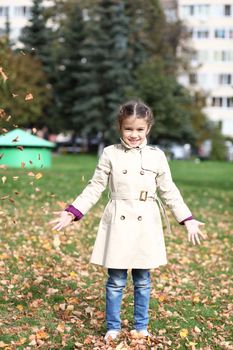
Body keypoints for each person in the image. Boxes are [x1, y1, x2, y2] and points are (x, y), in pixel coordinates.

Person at [51, 100, 205, 341]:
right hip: (119, 220)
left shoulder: (157, 156)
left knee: (143, 279)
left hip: (147, 222)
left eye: (139, 129)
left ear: (148, 129)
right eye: (128, 129)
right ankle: (113, 327)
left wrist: (187, 218)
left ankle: (141, 326)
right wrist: (72, 211)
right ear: (120, 128)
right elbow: (95, 187)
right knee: (115, 280)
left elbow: (169, 190)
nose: (134, 134)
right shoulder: (110, 153)